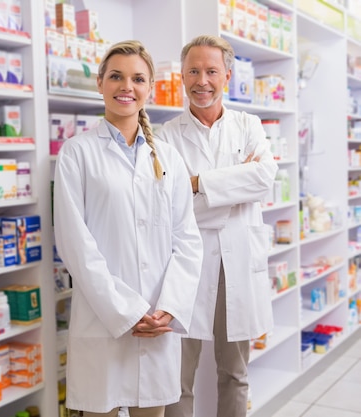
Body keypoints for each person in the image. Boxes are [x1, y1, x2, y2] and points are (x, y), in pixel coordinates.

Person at [53, 40, 203, 417]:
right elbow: (75, 245)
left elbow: (187, 238)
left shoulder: (167, 157)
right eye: (116, 76)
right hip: (103, 317)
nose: (127, 87)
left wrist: (168, 307)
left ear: (149, 88)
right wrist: (126, 311)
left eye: (138, 79)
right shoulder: (77, 152)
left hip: (157, 319)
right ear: (100, 83)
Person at [156, 35, 278, 417]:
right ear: (181, 76)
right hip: (186, 266)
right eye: (193, 71)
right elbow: (170, 206)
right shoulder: (166, 135)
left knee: (235, 373)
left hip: (238, 263)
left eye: (211, 71)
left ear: (227, 74)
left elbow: (265, 180)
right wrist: (234, 184)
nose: (202, 80)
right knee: (177, 376)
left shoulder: (248, 125)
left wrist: (198, 184)